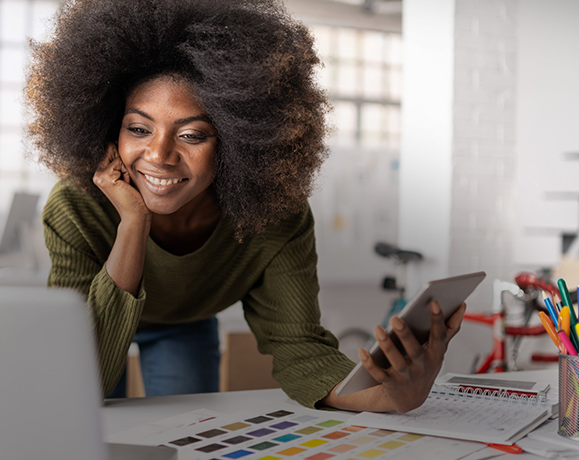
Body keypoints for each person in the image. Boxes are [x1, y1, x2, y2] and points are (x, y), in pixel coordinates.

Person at [25, 0, 465, 412]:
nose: (159, 155)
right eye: (139, 129)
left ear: (237, 143)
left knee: (183, 437)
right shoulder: (75, 207)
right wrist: (133, 223)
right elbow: (80, 376)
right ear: (108, 127)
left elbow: (299, 346)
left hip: (188, 321)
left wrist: (388, 397)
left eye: (192, 135)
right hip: (95, 325)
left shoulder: (273, 214)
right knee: (85, 424)